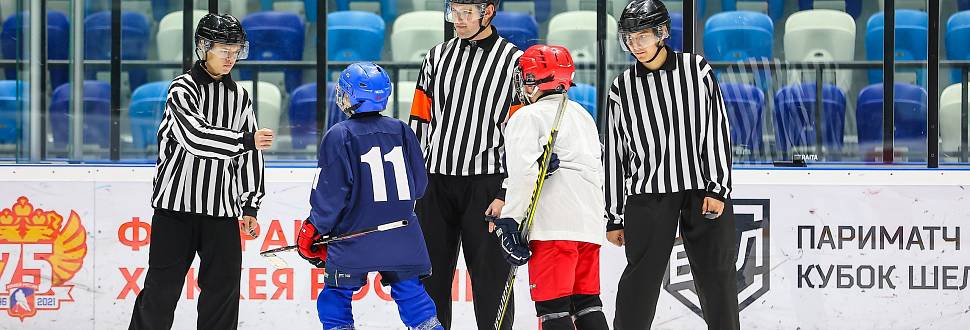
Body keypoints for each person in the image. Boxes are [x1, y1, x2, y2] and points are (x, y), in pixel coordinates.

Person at [129, 13, 273, 330]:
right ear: (203, 47)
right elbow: (197, 138)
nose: (230, 57)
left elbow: (249, 158)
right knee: (161, 293)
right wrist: (246, 139)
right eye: (224, 49)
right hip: (175, 212)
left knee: (222, 296)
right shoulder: (182, 90)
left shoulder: (240, 97)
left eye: (236, 51)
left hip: (221, 213)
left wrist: (250, 204)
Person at [603, 1, 740, 329]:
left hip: (701, 191)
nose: (635, 46)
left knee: (717, 277)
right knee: (639, 284)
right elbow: (615, 154)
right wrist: (613, 216)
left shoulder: (697, 70)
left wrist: (718, 187)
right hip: (647, 194)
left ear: (661, 33)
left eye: (642, 37)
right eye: (629, 38)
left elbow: (716, 127)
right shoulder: (621, 86)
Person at [297, 62, 443, 330]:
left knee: (335, 299)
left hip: (355, 238)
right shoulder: (401, 130)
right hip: (403, 235)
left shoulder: (339, 134)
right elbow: (419, 186)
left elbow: (329, 196)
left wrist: (314, 227)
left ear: (351, 96)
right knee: (415, 302)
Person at [408, 0, 523, 328]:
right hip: (435, 184)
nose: (457, 20)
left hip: (487, 188)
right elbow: (420, 120)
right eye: (453, 12)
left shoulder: (514, 62)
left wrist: (506, 190)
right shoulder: (436, 56)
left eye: (466, 13)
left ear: (488, 11)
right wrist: (416, 182)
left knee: (491, 283)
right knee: (428, 280)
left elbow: (520, 133)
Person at [491, 44, 610, 330]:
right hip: (588, 228)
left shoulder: (526, 117)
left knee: (552, 309)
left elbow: (523, 175)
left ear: (534, 79)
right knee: (587, 303)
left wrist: (510, 221)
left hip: (553, 228)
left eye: (525, 76)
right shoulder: (583, 116)